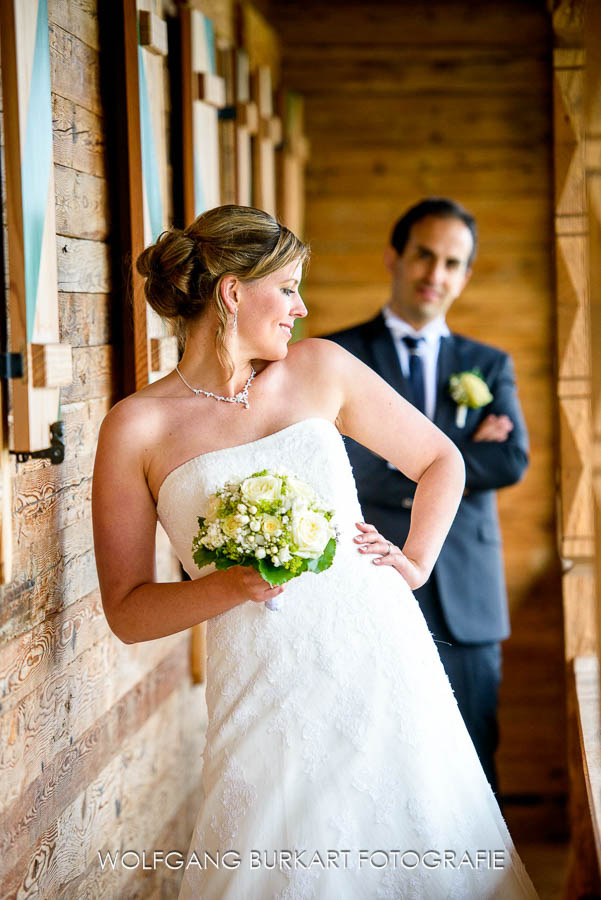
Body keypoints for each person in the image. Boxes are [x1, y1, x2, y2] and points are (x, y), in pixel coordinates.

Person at [92, 205, 538, 898]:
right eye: (289, 287)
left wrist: (413, 562)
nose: (302, 308)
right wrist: (231, 586)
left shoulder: (321, 368)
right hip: (260, 682)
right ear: (233, 292)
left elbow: (441, 462)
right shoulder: (136, 428)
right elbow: (127, 612)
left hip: (381, 657)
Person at [326, 197, 530, 797]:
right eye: (423, 254)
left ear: (465, 276)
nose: (434, 274)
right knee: (376, 761)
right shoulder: (339, 357)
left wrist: (421, 460)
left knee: (474, 757)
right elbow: (345, 466)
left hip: (467, 593)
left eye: (451, 263)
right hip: (371, 575)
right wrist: (461, 450)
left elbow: (513, 458)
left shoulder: (488, 366)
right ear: (394, 256)